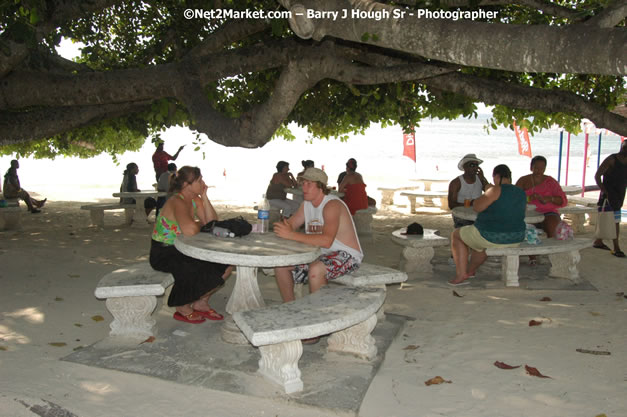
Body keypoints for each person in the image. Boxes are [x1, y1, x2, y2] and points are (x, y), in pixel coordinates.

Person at [273, 168, 363, 320]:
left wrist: (291, 234)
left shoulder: (332, 205)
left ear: (321, 186)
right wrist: (282, 226)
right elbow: (291, 226)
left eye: (309, 184)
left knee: (316, 269)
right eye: (303, 183)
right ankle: (290, 311)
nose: (304, 187)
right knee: (281, 265)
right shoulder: (306, 205)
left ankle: (318, 319)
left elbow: (326, 241)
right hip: (321, 254)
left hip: (347, 255)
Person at [149, 166, 232, 323]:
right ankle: (182, 305)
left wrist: (205, 197)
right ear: (187, 184)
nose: (203, 182)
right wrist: (200, 225)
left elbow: (212, 223)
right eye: (199, 180)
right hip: (164, 252)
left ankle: (201, 303)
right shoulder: (176, 201)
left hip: (183, 248)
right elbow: (191, 230)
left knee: (226, 264)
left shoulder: (195, 200)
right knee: (197, 267)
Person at [449, 165, 526, 286]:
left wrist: (489, 190)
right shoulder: (520, 192)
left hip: (492, 236)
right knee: (479, 246)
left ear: (496, 176)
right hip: (517, 237)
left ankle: (460, 275)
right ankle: (469, 271)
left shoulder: (495, 190)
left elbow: (477, 207)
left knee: (456, 235)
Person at [515, 155, 567, 237]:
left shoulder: (551, 182)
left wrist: (550, 199)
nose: (539, 171)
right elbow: (514, 198)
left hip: (549, 212)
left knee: (554, 230)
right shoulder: (523, 180)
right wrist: (528, 198)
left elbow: (562, 200)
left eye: (542, 168)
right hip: (526, 213)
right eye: (536, 168)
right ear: (531, 167)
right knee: (521, 231)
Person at [593, 140, 627, 257]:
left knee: (606, 217)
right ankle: (616, 247)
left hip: (619, 194)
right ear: (622, 147)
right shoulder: (612, 159)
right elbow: (597, 175)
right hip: (608, 194)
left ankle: (598, 241)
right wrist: (604, 190)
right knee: (615, 221)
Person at [448, 153, 489, 227]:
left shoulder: (480, 178)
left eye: (477, 165)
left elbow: (491, 193)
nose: (475, 167)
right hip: (461, 216)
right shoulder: (456, 183)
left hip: (477, 215)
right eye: (472, 165)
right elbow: (451, 205)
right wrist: (470, 204)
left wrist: (483, 178)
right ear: (465, 167)